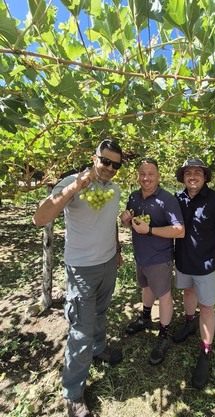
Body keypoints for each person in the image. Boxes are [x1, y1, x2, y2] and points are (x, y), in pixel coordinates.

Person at [32, 140, 124, 417]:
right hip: (82, 269)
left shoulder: (115, 189)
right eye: (105, 161)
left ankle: (98, 349)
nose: (110, 168)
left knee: (101, 312)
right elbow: (40, 217)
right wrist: (75, 186)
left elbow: (111, 221)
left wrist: (117, 250)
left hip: (108, 263)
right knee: (81, 330)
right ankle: (72, 394)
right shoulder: (72, 183)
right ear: (94, 158)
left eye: (116, 165)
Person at [171, 158, 215, 389]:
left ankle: (205, 352)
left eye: (197, 173)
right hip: (183, 261)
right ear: (183, 177)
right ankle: (189, 323)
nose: (192, 177)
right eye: (188, 173)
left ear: (205, 177)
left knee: (206, 307)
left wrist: (214, 238)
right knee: (187, 292)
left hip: (205, 266)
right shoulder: (177, 199)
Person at [119, 158, 185, 366]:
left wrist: (150, 230)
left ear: (158, 176)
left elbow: (179, 231)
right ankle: (145, 318)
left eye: (150, 174)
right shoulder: (134, 197)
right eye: (142, 174)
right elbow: (131, 224)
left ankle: (164, 335)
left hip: (159, 258)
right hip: (141, 256)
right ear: (138, 176)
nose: (146, 178)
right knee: (146, 287)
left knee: (164, 296)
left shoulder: (167, 200)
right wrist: (125, 220)